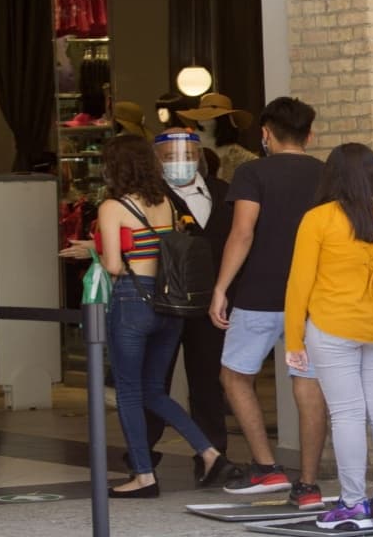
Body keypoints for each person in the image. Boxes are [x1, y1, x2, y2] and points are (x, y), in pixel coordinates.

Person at [284, 143, 373, 529]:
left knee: (347, 413)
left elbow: (299, 285)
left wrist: (294, 339)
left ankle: (353, 503)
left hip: (332, 327)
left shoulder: (318, 219)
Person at [208, 97, 328, 509]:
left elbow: (242, 232)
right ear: (310, 135)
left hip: (259, 295)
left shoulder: (251, 172)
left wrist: (222, 286)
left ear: (265, 133)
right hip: (313, 297)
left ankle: (267, 467)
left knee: (234, 375)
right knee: (308, 384)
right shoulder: (327, 175)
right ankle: (309, 485)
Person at [96, 135, 226, 498]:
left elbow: (112, 265)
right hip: (169, 306)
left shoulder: (113, 207)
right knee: (154, 389)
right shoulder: (167, 203)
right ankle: (209, 451)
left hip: (131, 302)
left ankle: (143, 475)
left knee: (129, 392)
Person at [146, 129, 235, 481]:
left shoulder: (225, 194)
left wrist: (228, 293)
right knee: (156, 379)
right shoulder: (150, 197)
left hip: (212, 302)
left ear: (199, 157)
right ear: (157, 162)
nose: (178, 163)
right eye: (168, 158)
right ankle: (144, 455)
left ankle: (213, 456)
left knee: (207, 381)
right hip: (164, 302)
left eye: (185, 156)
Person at [178, 92, 258, 183]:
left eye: (210, 115)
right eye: (201, 114)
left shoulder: (241, 157)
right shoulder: (188, 148)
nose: (203, 118)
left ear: (223, 120)